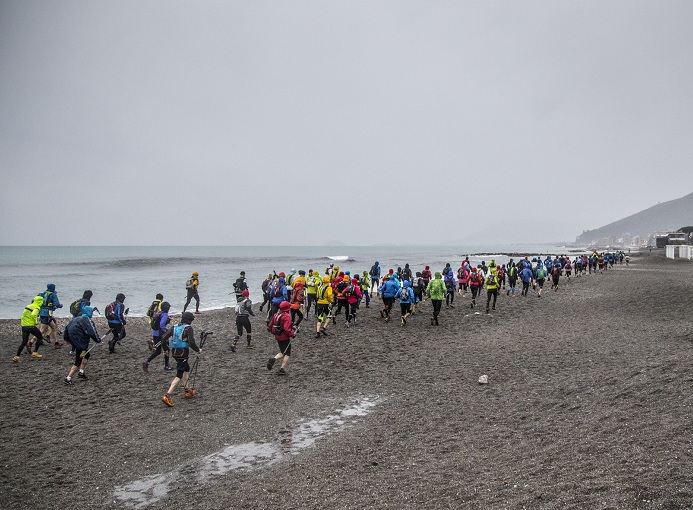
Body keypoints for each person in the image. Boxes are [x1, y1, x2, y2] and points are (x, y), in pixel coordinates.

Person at [161, 312, 202, 407]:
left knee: (186, 368)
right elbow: (191, 342)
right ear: (189, 320)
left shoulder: (174, 327)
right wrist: (198, 350)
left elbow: (163, 338)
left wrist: (165, 349)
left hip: (174, 351)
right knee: (179, 373)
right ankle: (167, 395)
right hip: (183, 352)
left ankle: (187, 390)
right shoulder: (188, 328)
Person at [63, 306, 102, 384]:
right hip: (81, 342)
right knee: (78, 359)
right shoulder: (87, 320)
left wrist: (67, 339)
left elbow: (66, 329)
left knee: (86, 355)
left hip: (73, 340)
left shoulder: (75, 319)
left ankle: (81, 372)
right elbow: (92, 332)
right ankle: (68, 378)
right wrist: (97, 339)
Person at [266, 301, 295, 375]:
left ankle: (274, 359)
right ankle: (282, 369)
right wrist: (292, 334)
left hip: (277, 336)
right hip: (284, 337)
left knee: (282, 351)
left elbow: (270, 325)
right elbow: (286, 329)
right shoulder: (286, 316)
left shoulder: (276, 314)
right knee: (287, 353)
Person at [14, 295, 45, 362]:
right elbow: (33, 315)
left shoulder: (28, 306)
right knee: (40, 337)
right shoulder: (37, 307)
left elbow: (23, 315)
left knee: (24, 341)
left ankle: (17, 356)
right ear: (40, 302)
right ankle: (35, 352)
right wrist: (36, 322)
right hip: (31, 326)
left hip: (24, 326)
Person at [143, 301, 173, 371]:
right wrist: (167, 330)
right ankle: (166, 366)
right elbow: (162, 325)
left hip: (155, 334)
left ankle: (147, 362)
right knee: (166, 349)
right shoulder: (164, 314)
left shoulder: (158, 313)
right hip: (161, 335)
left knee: (158, 351)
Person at [38, 283, 64, 349]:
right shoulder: (53, 295)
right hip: (47, 314)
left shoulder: (41, 294)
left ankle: (55, 342)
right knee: (42, 330)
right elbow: (57, 304)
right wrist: (60, 305)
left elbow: (34, 301)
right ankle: (31, 342)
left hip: (41, 313)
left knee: (53, 327)